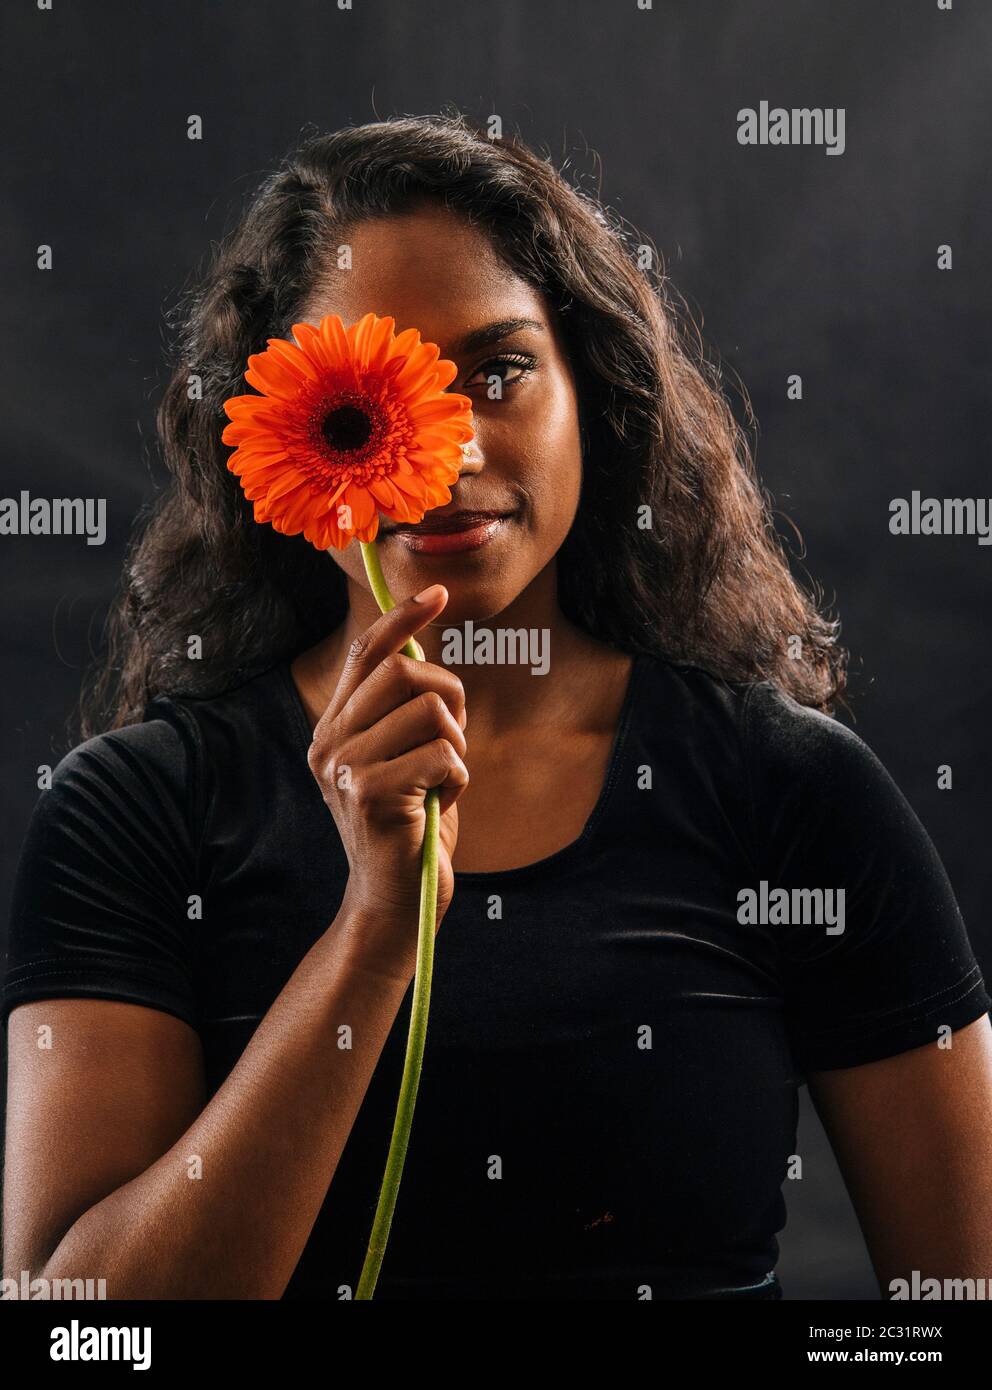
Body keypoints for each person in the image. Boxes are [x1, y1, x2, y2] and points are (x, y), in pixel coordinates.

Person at [3, 113, 992, 1302]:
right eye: (367, 400)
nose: (446, 452)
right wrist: (374, 933)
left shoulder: (789, 790)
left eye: (496, 373)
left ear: (595, 394)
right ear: (278, 440)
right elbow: (74, 1332)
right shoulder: (137, 810)